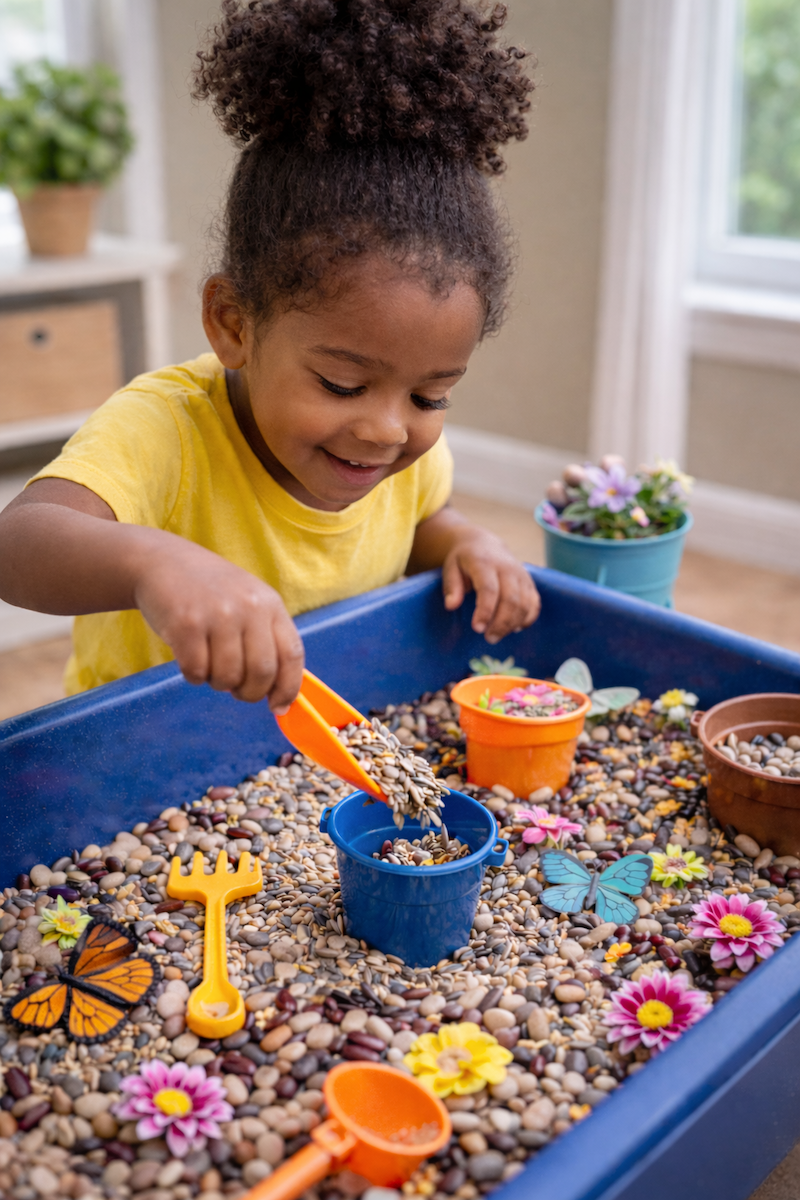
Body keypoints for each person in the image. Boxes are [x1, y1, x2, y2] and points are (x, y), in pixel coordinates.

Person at [0, 0, 540, 714]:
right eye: (343, 383)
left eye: (429, 397)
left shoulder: (399, 456)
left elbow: (417, 525)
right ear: (233, 325)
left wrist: (466, 543)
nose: (386, 429)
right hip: (147, 748)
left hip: (324, 733)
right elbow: (20, 542)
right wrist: (155, 564)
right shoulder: (167, 429)